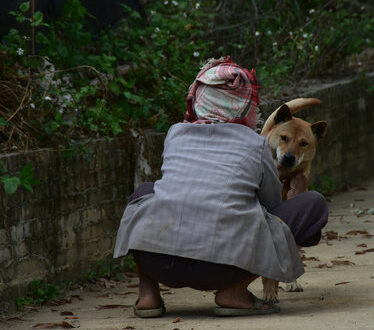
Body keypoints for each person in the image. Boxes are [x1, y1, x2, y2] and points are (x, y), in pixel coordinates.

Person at [113, 56, 329, 317]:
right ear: (246, 104)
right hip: (222, 269)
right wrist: (297, 193)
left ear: (198, 98)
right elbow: (272, 212)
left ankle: (148, 294)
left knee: (144, 194)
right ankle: (234, 291)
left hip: (159, 264)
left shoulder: (176, 133)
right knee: (313, 203)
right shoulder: (255, 144)